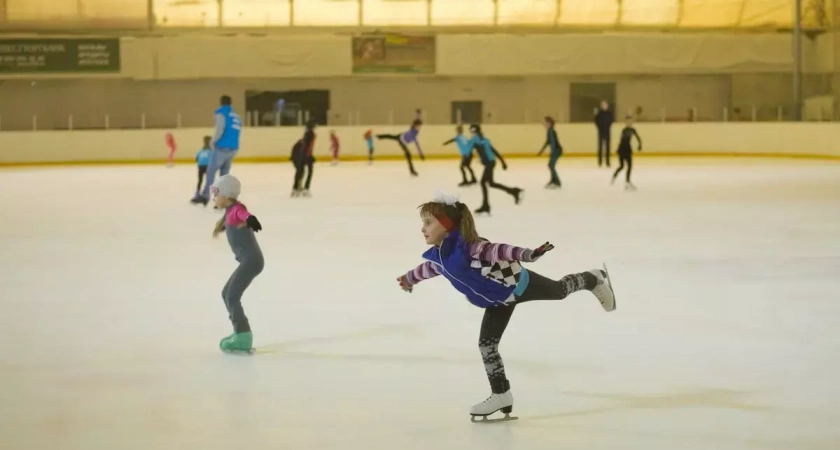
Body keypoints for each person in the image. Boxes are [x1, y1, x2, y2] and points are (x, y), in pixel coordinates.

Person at [396, 193, 616, 420]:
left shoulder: (470, 248)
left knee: (559, 291)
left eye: (428, 222)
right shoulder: (440, 258)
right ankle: (501, 394)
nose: (423, 228)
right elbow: (426, 270)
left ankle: (592, 279)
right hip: (497, 302)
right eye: (423, 222)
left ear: (446, 224)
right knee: (487, 346)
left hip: (520, 285)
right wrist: (409, 279)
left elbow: (500, 250)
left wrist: (527, 254)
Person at [210, 175, 264, 354]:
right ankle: (240, 333)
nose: (214, 197)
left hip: (251, 261)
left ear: (226, 195)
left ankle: (242, 336)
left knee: (232, 295)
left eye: (216, 194)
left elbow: (243, 214)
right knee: (227, 293)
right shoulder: (230, 211)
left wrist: (250, 219)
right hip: (250, 261)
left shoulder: (236, 210)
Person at [191, 95, 242, 206]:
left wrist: (213, 141)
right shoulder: (236, 116)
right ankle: (224, 200)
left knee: (211, 172)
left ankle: (205, 196)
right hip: (233, 148)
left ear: (221, 103)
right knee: (224, 175)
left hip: (222, 147)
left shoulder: (221, 113)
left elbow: (220, 129)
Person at [468, 124, 522, 215]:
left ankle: (486, 206)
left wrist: (483, 160)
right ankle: (513, 191)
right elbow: (493, 150)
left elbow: (479, 151)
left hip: (489, 163)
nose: (470, 133)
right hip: (491, 162)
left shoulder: (475, 140)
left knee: (483, 183)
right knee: (491, 183)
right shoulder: (485, 139)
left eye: (471, 131)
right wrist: (503, 162)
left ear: (473, 131)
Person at [611, 115, 642, 191]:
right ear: (625, 122)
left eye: (630, 121)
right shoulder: (624, 130)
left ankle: (627, 182)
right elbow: (622, 140)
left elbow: (638, 138)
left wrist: (640, 145)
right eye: (628, 122)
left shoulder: (633, 130)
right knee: (621, 166)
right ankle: (614, 176)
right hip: (622, 150)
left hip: (628, 150)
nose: (629, 123)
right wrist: (618, 150)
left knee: (630, 166)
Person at [291, 120, 317, 197]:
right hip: (307, 155)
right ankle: (306, 188)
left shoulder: (306, 133)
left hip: (302, 155)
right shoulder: (311, 134)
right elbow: (309, 146)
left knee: (300, 171)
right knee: (310, 172)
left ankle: (295, 188)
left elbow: (305, 145)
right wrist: (309, 156)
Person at [536, 116, 562, 189]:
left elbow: (553, 142)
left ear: (549, 124)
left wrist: (552, 152)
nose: (544, 124)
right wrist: (541, 151)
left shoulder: (551, 131)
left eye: (545, 122)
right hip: (556, 150)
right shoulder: (549, 131)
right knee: (550, 165)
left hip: (557, 150)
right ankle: (553, 180)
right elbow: (547, 142)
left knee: (551, 166)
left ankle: (557, 182)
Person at [594, 100, 614, 168]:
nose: (604, 106)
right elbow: (596, 121)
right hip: (601, 131)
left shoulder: (609, 113)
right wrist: (599, 128)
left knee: (608, 147)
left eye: (605, 104)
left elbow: (611, 120)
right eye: (603, 105)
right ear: (601, 106)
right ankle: (600, 162)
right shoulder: (599, 113)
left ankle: (607, 162)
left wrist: (608, 127)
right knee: (600, 147)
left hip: (607, 131)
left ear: (607, 105)